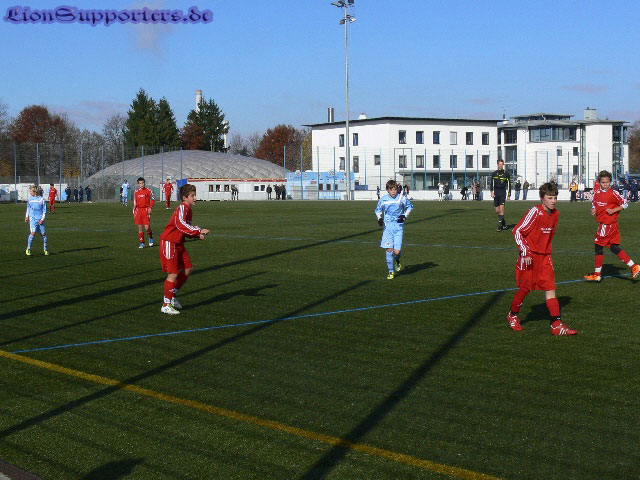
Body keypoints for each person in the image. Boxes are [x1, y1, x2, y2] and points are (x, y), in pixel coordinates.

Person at [507, 182, 576, 335]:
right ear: (541, 198)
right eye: (549, 198)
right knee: (525, 288)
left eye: (555, 198)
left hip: (545, 257)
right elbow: (517, 231)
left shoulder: (556, 214)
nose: (553, 201)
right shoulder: (534, 212)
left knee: (550, 289)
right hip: (529, 256)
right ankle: (512, 315)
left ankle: (556, 325)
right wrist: (525, 252)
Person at [159, 183, 210, 315]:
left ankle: (172, 296)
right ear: (185, 197)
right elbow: (180, 224)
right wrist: (198, 230)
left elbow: (185, 229)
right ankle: (166, 305)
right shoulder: (182, 207)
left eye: (195, 195)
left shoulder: (189, 210)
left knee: (188, 268)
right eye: (192, 195)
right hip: (170, 242)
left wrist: (196, 235)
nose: (195, 198)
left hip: (178, 243)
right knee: (173, 273)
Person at [584, 170, 640, 282]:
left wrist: (614, 210)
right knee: (613, 247)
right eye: (603, 182)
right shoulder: (597, 192)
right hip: (606, 224)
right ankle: (634, 266)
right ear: (599, 182)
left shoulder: (613, 193)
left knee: (598, 246)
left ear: (610, 182)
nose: (605, 184)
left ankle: (597, 274)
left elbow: (625, 204)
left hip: (608, 224)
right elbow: (594, 203)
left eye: (607, 182)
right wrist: (594, 209)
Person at [375, 179, 414, 280]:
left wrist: (404, 216)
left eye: (395, 189)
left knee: (396, 252)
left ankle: (397, 260)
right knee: (389, 250)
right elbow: (378, 210)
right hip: (388, 227)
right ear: (387, 190)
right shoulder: (383, 199)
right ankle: (391, 272)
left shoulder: (401, 198)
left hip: (398, 227)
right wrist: (379, 218)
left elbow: (410, 207)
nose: (393, 191)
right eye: (391, 189)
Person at [25, 185, 49, 256]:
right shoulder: (30, 199)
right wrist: (26, 216)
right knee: (33, 233)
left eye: (30, 191)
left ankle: (45, 250)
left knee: (43, 234)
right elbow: (28, 208)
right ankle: (28, 249)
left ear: (34, 192)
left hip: (40, 219)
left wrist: (42, 219)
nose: (30, 192)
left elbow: (44, 211)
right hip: (33, 219)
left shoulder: (41, 200)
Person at [133, 177, 156, 248]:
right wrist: (134, 212)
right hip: (138, 211)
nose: (142, 184)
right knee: (140, 227)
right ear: (138, 184)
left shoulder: (148, 191)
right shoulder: (136, 192)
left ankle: (151, 237)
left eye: (143, 183)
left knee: (147, 227)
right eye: (140, 183)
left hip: (146, 210)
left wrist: (150, 207)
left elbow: (153, 200)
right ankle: (142, 243)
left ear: (144, 183)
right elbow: (135, 203)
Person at [490, 159, 511, 231]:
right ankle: (504, 223)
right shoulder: (494, 173)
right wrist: (492, 191)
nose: (501, 165)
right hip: (496, 192)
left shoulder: (506, 174)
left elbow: (509, 185)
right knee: (497, 210)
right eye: (500, 164)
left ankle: (500, 226)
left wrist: (509, 195)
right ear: (497, 165)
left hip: (502, 192)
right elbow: (491, 183)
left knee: (502, 209)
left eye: (502, 164)